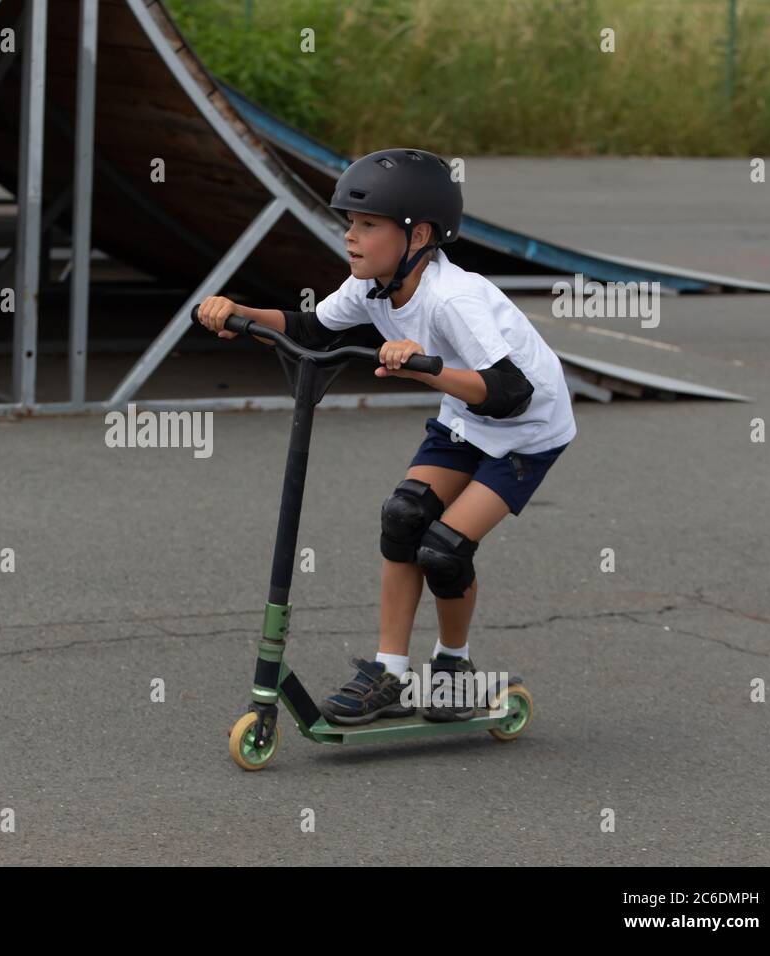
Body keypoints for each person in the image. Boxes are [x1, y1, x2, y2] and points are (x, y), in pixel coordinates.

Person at [194, 147, 576, 724]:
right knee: (403, 516)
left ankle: (453, 669)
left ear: (418, 234)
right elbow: (310, 329)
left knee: (443, 549)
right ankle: (389, 672)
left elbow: (509, 390)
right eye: (349, 223)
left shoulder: (455, 299)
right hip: (466, 418)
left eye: (367, 225)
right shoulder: (372, 285)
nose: (351, 236)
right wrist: (238, 312)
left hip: (527, 429)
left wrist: (425, 366)